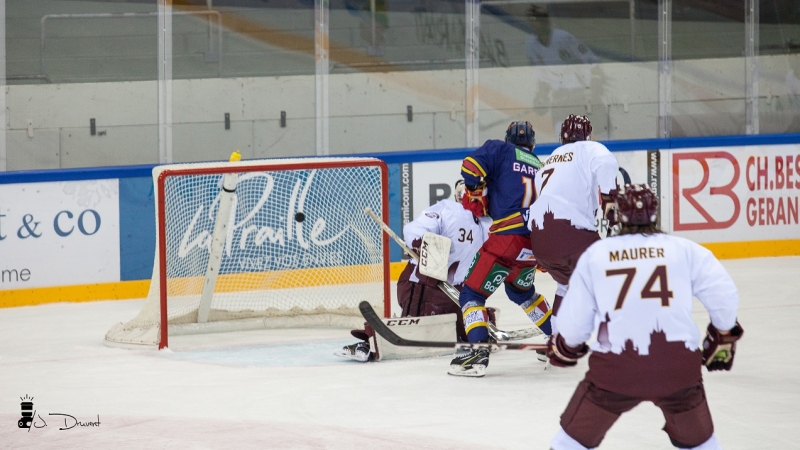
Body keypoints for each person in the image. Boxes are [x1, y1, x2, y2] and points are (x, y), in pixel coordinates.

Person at [547, 184, 744, 450]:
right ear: (655, 213)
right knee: (702, 444)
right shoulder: (685, 250)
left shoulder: (597, 255)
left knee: (570, 442)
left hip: (615, 370)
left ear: (620, 214)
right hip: (677, 366)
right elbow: (724, 295)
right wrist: (723, 334)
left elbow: (574, 324)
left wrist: (566, 347)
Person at [335, 180, 491, 362]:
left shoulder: (488, 222)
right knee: (414, 332)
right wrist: (421, 241)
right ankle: (369, 343)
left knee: (462, 332)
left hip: (457, 293)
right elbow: (414, 229)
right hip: (423, 286)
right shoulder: (447, 210)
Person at [449, 121, 553, 377]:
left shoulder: (501, 151)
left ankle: (477, 353)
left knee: (471, 294)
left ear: (508, 139)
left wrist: (474, 190)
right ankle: (560, 340)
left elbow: (470, 167)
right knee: (522, 292)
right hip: (535, 244)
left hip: (507, 238)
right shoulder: (542, 167)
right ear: (533, 145)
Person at [527, 114, 619, 333]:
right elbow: (607, 163)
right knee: (614, 275)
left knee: (566, 285)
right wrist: (610, 202)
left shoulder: (549, 160)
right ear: (587, 134)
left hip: (539, 241)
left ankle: (556, 341)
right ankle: (622, 341)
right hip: (571, 234)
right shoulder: (589, 149)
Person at [525, 5, 600, 66]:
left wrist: (595, 74)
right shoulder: (531, 45)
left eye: (541, 22)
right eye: (533, 24)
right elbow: (537, 70)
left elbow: (589, 58)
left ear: (547, 23)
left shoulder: (563, 37)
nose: (537, 28)